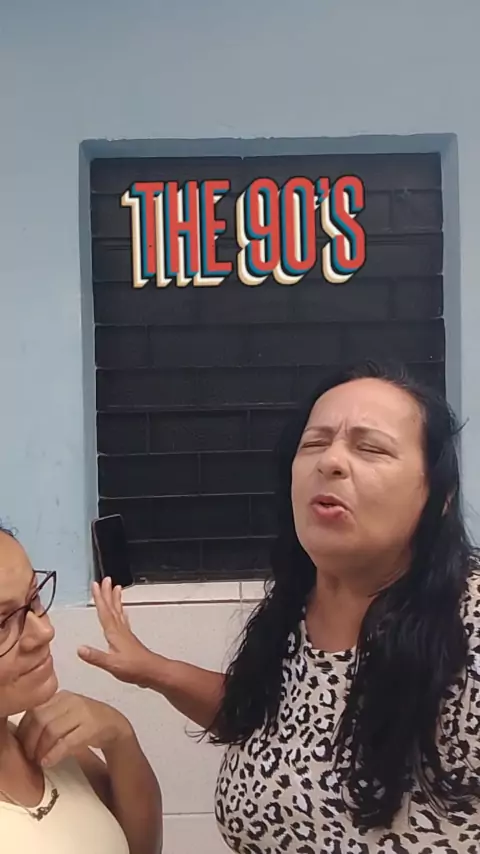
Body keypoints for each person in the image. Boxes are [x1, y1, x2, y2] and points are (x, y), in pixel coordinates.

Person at [79, 361, 480, 853]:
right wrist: (151, 668)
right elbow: (270, 720)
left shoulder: (468, 625)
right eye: (314, 443)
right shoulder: (296, 605)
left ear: (439, 495)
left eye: (370, 448)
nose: (330, 462)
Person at [0, 524, 162, 854]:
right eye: (2, 623)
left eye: (34, 599)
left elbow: (139, 847)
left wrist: (119, 739)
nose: (44, 631)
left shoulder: (43, 738)